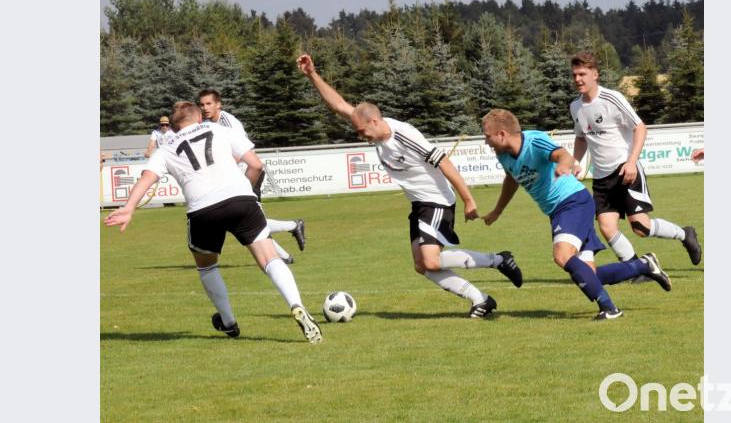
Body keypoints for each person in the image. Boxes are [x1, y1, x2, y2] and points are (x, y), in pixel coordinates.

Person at [298, 53, 522, 318]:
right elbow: (340, 106)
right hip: (419, 204)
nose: (360, 136)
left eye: (361, 131)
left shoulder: (404, 135)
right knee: (422, 265)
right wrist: (312, 74)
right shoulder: (372, 128)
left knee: (430, 260)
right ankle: (481, 299)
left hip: (437, 201)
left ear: (374, 121)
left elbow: (444, 162)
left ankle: (498, 260)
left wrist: (468, 199)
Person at [104, 101, 322, 343]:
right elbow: (256, 164)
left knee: (207, 266)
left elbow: (148, 177)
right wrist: (243, 193)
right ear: (199, 118)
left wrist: (128, 208)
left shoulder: (165, 148)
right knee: (269, 258)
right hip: (241, 200)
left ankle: (228, 322)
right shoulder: (221, 130)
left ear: (174, 127)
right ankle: (297, 305)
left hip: (203, 209)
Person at [480, 109, 671, 320]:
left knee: (562, 256)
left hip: (572, 202)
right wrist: (497, 210)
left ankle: (610, 309)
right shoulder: (503, 155)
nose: (485, 141)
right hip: (558, 210)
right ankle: (642, 265)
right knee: (589, 274)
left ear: (502, 134)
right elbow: (511, 179)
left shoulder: (533, 141)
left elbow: (563, 155)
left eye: (487, 135)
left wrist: (563, 166)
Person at [569, 52, 702, 266]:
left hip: (625, 169)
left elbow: (640, 127)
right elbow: (581, 137)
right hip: (601, 177)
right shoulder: (575, 106)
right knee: (607, 227)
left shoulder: (611, 98)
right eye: (574, 75)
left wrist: (631, 162)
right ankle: (638, 270)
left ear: (595, 74)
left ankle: (685, 235)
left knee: (641, 227)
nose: (577, 79)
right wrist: (575, 161)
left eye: (582, 74)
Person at [198, 89, 306, 263]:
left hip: (248, 174)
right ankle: (286, 251)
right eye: (202, 104)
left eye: (208, 103)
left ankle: (292, 230)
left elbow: (242, 153)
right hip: (234, 177)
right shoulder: (208, 123)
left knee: (250, 222)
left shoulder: (228, 122)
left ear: (219, 104)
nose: (204, 108)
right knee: (247, 222)